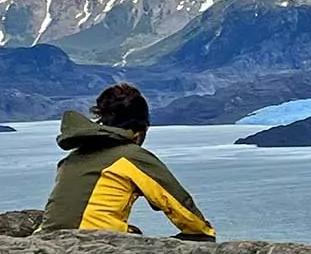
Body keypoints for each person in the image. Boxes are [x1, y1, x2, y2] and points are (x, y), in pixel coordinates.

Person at [36, 83, 216, 241]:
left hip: (45, 240)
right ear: (140, 129)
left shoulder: (71, 158)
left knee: (133, 232)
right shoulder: (131, 156)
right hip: (91, 242)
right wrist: (203, 232)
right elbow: (176, 202)